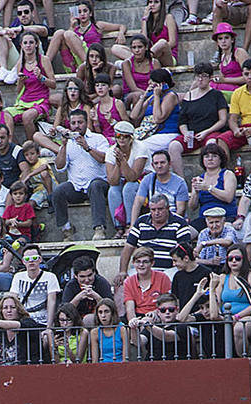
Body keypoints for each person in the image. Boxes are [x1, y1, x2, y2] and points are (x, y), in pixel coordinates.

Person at [52, 108, 109, 242]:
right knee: (58, 191)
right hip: (76, 187)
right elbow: (59, 167)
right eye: (73, 123)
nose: (77, 126)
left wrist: (87, 147)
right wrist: (63, 146)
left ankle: (99, 228)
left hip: (98, 184)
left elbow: (104, 158)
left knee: (95, 185)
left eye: (80, 122)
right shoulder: (68, 143)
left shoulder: (98, 138)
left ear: (86, 122)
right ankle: (66, 229)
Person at [168, 62, 229, 176]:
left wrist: (207, 132)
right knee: (173, 146)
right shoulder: (188, 96)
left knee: (211, 145)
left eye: (204, 76)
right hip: (192, 135)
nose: (200, 79)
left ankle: (212, 177)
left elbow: (222, 120)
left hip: (210, 132)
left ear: (210, 77)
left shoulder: (216, 95)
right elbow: (182, 121)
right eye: (198, 76)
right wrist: (185, 133)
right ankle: (180, 180)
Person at [118, 194, 193, 279]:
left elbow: (184, 249)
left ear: (168, 208)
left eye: (160, 209)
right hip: (143, 267)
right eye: (153, 210)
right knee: (128, 280)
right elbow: (128, 247)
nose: (156, 213)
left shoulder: (180, 223)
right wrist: (122, 271)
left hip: (170, 269)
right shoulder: (141, 222)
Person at [210, 244, 251, 354]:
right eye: (230, 259)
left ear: (244, 259)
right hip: (226, 317)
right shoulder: (223, 277)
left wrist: (236, 317)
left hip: (248, 317)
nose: (234, 261)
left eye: (237, 258)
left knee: (239, 329)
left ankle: (244, 359)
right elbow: (217, 300)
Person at [105, 120, 149, 235]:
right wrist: (118, 164)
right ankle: (119, 227)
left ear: (131, 138)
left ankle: (130, 225)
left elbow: (133, 177)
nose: (121, 139)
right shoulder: (111, 151)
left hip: (143, 179)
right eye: (119, 136)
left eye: (125, 136)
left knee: (129, 188)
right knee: (113, 191)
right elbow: (112, 181)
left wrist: (123, 161)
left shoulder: (141, 148)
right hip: (123, 180)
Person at [218, 57, 251, 151]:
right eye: (246, 74)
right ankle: (224, 162)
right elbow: (232, 119)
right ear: (242, 75)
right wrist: (236, 129)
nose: (250, 77)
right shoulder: (237, 93)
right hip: (245, 129)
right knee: (222, 140)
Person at [128, 67, 180, 160]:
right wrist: (144, 96)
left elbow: (158, 119)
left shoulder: (170, 96)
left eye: (152, 81)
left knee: (140, 147)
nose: (149, 83)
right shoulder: (151, 97)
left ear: (161, 84)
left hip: (166, 134)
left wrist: (156, 96)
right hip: (151, 134)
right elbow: (134, 116)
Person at [0, 291, 46, 364]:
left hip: (24, 367)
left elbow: (23, 325)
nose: (9, 310)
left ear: (18, 309)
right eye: (5, 308)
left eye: (13, 307)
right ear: (1, 311)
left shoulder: (28, 322)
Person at [130, 149, 188, 225]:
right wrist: (133, 225)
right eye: (156, 163)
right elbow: (138, 202)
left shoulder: (180, 182)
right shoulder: (148, 179)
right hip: (154, 219)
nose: (159, 166)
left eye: (162, 162)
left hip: (174, 220)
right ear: (152, 165)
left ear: (169, 164)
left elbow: (181, 210)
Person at [188, 144, 238, 228]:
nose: (210, 159)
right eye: (206, 156)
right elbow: (192, 207)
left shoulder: (227, 174)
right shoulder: (200, 178)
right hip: (205, 218)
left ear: (220, 159)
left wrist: (209, 188)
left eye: (214, 156)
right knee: (187, 232)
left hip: (225, 217)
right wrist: (195, 192)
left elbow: (228, 197)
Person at [61, 254, 114, 325]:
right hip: (76, 321)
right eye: (82, 276)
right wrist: (78, 298)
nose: (86, 280)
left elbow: (112, 309)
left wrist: (96, 296)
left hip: (100, 320)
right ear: (75, 276)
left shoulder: (102, 283)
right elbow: (64, 312)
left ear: (94, 273)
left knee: (88, 319)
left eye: (89, 275)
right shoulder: (71, 286)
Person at [209, 21, 249, 95]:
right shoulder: (222, 57)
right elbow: (222, 77)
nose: (223, 41)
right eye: (220, 39)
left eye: (226, 38)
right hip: (227, 88)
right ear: (217, 42)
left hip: (241, 89)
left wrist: (224, 80)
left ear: (232, 40)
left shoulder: (239, 52)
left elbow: (248, 77)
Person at [194, 206, 239, 271]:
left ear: (224, 221)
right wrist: (210, 262)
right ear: (207, 223)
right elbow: (196, 259)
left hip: (228, 267)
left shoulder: (229, 230)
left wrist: (204, 244)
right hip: (208, 267)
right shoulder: (203, 233)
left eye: (217, 222)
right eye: (211, 223)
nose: (214, 226)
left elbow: (227, 241)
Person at [170, 239, 211, 308]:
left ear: (186, 258)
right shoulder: (178, 276)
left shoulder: (206, 273)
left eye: (175, 261)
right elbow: (176, 299)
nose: (173, 264)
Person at [90, 298, 129, 363]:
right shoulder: (95, 332)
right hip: (102, 367)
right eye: (100, 312)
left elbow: (126, 359)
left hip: (120, 366)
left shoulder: (122, 329)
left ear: (113, 313)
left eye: (106, 311)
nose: (103, 315)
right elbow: (95, 361)